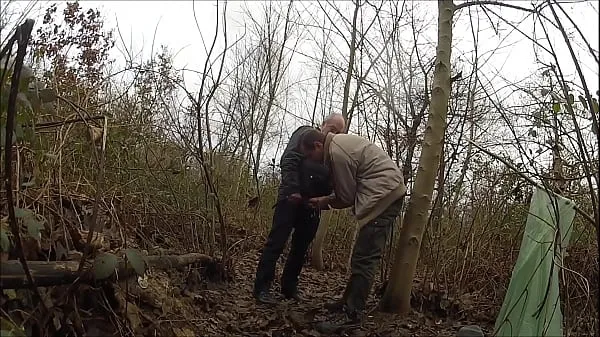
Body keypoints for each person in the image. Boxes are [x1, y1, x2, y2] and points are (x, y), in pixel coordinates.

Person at [299, 129, 407, 333]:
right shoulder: (338, 145)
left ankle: (352, 314)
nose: (310, 160)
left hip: (384, 196)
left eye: (309, 155)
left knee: (365, 259)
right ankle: (347, 301)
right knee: (360, 256)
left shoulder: (337, 153)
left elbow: (346, 197)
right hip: (383, 192)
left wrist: (324, 201)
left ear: (318, 146)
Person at [253, 113, 346, 304]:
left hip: (313, 205)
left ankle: (289, 287)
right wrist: (293, 189)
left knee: (300, 249)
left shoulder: (334, 151)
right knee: (276, 242)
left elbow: (335, 178)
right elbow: (289, 160)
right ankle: (262, 288)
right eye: (332, 129)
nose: (334, 134)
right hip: (290, 199)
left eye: (339, 132)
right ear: (323, 124)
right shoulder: (305, 135)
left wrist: (326, 199)